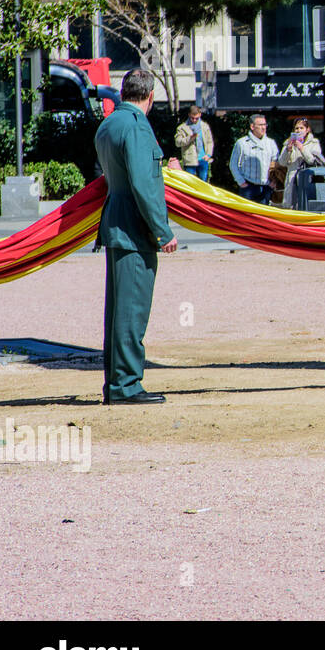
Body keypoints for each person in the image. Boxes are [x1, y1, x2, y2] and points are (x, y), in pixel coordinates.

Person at [95, 69, 179, 405]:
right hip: (135, 230)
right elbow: (145, 184)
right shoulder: (137, 126)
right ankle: (126, 386)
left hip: (115, 225)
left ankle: (117, 382)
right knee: (132, 313)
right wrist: (163, 230)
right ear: (151, 97)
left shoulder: (109, 124)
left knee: (118, 313)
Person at [229, 113, 279, 204]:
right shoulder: (241, 143)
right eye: (260, 125)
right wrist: (241, 182)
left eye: (265, 125)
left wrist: (274, 181)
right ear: (252, 126)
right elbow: (233, 164)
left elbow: (276, 163)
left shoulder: (271, 143)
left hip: (266, 187)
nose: (263, 127)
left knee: (264, 216)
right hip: (248, 187)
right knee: (246, 216)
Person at [277, 118, 325, 208]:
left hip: (307, 180)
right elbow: (282, 163)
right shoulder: (288, 143)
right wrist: (288, 150)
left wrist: (302, 148)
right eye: (296, 128)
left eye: (301, 128)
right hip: (291, 180)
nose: (299, 130)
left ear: (307, 130)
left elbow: (312, 161)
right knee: (290, 207)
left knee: (305, 206)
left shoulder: (314, 143)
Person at [173, 105, 214, 182]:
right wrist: (190, 138)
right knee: (190, 184)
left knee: (203, 185)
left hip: (203, 159)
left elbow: (209, 142)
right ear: (189, 115)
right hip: (189, 161)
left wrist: (208, 154)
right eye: (192, 118)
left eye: (197, 118)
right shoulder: (182, 128)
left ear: (200, 115)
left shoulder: (204, 126)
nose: (194, 120)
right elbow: (178, 143)